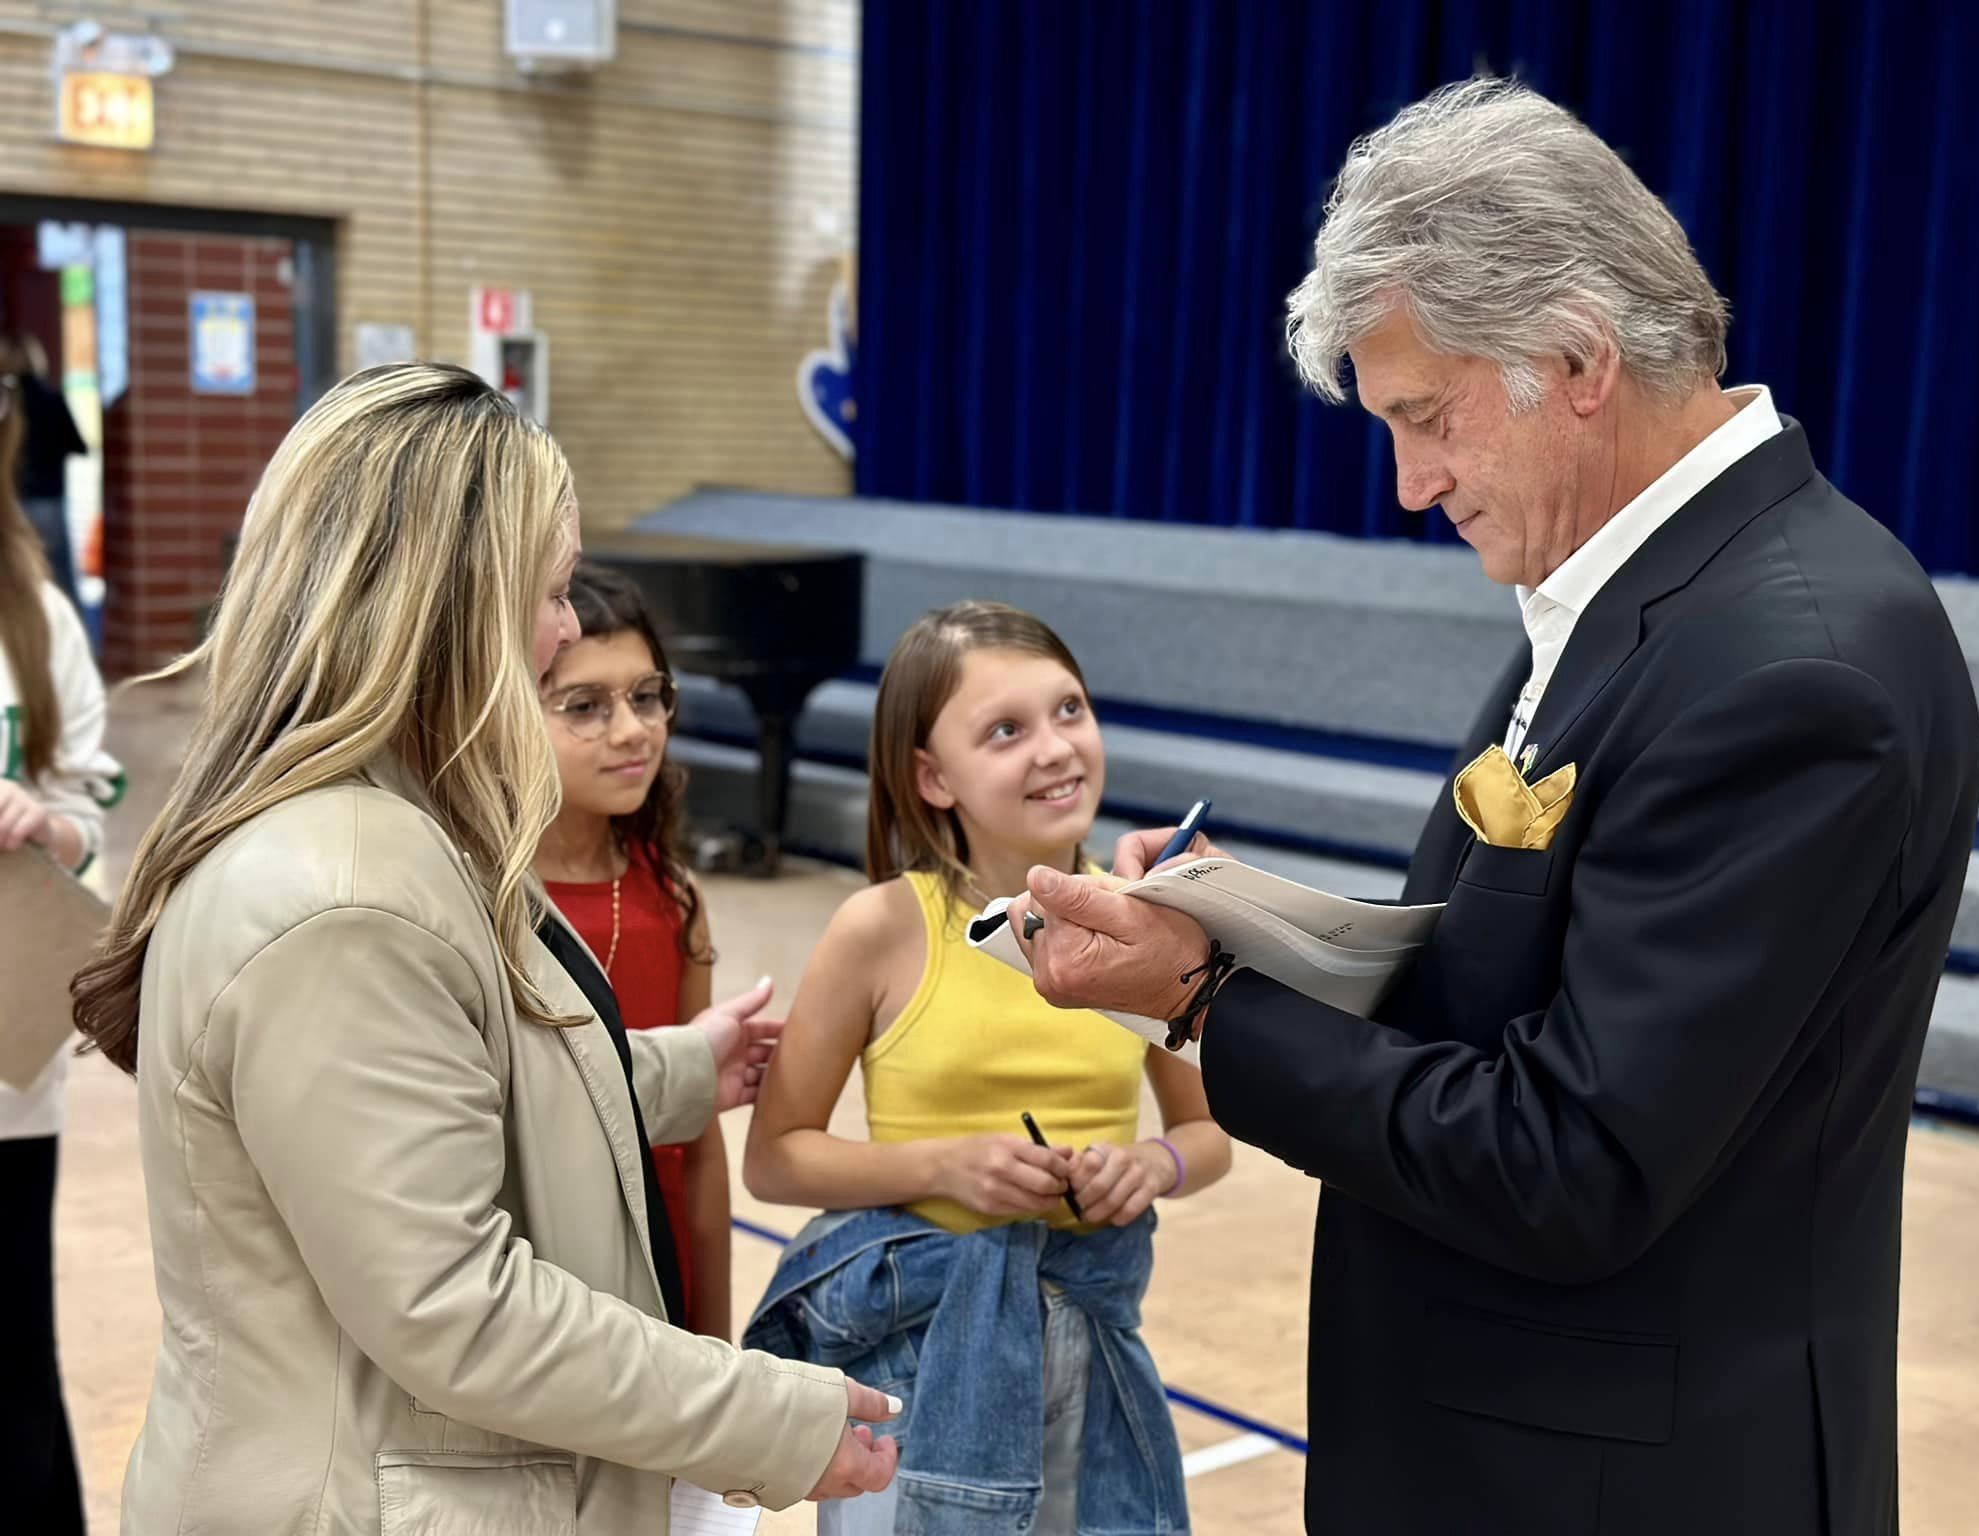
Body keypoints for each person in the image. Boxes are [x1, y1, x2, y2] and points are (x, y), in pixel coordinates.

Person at [1010, 79, 1979, 1535]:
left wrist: (1212, 1005)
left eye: (1424, 416)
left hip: (1625, 1481)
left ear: (1579, 358)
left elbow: (1572, 1161)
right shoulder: (1654, 593)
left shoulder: (1790, 670)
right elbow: (1523, 979)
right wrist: (1253, 930)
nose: (1409, 481)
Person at [70, 362, 898, 1533]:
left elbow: (454, 1083)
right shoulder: (345, 893)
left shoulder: (402, 833)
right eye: (550, 592)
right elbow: (451, 1302)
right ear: (447, 602)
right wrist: (771, 1421)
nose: (564, 632)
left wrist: (673, 1071)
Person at [744, 600, 1229, 1535]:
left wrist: (1152, 1166)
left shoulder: (1146, 927)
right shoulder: (883, 928)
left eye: (1069, 711)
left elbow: (1207, 1136)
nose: (1054, 749)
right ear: (932, 776)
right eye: (1006, 731)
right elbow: (776, 1157)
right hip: (911, 1360)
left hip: (1087, 1339)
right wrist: (944, 1165)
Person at [537, 562, 736, 1338]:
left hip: (659, 1280)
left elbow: (700, 1134)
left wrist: (719, 1347)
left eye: (647, 696)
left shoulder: (673, 895)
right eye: (585, 706)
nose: (632, 730)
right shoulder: (474, 897)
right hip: (544, 1286)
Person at [0, 347, 122, 1536]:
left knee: (12, 1354)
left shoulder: (34, 619)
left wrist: (48, 823)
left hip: (6, 1059)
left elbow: (96, 805)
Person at [0, 334, 88, 610]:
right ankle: (79, 647)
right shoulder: (53, 400)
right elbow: (79, 445)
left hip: (16, 503)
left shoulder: (8, 409)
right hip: (51, 500)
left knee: (20, 583)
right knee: (63, 581)